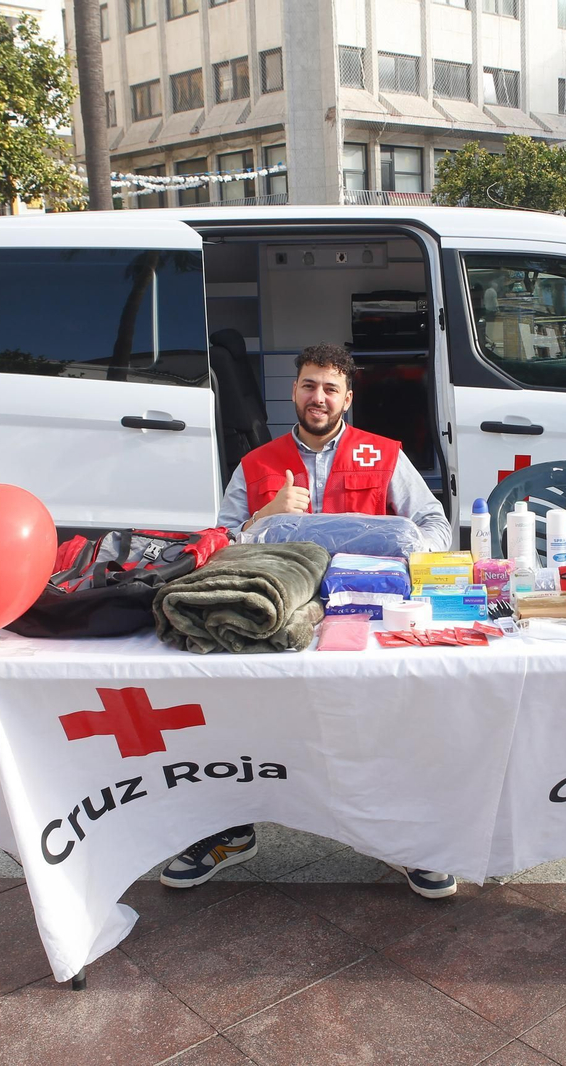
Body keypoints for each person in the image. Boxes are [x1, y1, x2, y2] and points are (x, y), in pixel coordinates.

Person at [177, 343, 457, 899]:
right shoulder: (257, 464)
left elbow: (434, 525)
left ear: (347, 397)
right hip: (276, 613)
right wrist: (265, 516)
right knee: (245, 719)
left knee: (386, 721)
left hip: (366, 611)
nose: (318, 397)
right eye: (308, 385)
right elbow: (216, 545)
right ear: (294, 391)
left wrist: (401, 548)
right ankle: (229, 832)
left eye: (330, 388)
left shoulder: (384, 455)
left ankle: (407, 841)